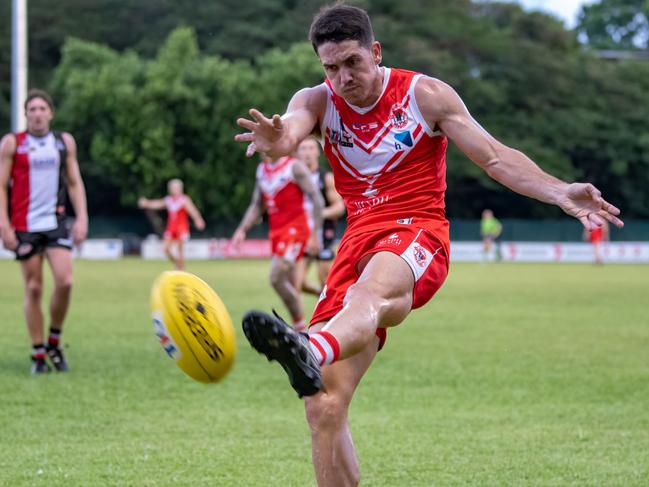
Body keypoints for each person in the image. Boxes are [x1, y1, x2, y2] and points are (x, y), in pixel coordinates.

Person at [234, 5, 624, 486]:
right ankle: (314, 354)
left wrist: (561, 191)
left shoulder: (426, 95)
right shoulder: (317, 100)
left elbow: (495, 158)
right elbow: (289, 130)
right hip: (356, 239)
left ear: (375, 52)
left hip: (416, 230)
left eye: (352, 62)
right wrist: (277, 140)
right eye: (330, 67)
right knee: (323, 404)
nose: (342, 77)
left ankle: (311, 346)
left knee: (369, 297)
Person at [0, 89, 88, 374]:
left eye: (42, 108)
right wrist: (4, 224)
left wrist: (82, 217)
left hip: (55, 222)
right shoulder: (13, 143)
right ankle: (38, 354)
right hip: (24, 226)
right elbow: (1, 186)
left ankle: (54, 341)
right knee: (34, 288)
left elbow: (74, 183)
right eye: (32, 109)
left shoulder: (63, 143)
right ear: (26, 114)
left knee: (65, 281)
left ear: (50, 112)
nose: (37, 113)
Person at [231, 155, 323, 331]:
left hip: (295, 229)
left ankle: (300, 328)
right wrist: (242, 229)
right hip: (277, 232)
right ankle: (301, 331)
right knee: (292, 283)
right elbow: (257, 205)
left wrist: (315, 233)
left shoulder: (294, 167)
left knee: (276, 277)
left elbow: (316, 199)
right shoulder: (262, 170)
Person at [295, 136, 345, 292]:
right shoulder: (293, 179)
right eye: (303, 149)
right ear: (297, 153)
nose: (307, 153)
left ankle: (330, 305)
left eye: (310, 148)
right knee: (298, 283)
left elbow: (340, 207)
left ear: (317, 152)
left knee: (325, 280)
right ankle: (321, 297)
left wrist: (319, 214)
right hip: (301, 234)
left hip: (323, 233)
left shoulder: (326, 178)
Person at [138, 179, 205, 270]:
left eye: (175, 188)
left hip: (182, 228)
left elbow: (192, 211)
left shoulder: (184, 200)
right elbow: (157, 204)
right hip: (171, 228)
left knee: (180, 250)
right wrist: (146, 203)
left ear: (180, 189)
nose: (173, 190)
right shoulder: (169, 200)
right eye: (172, 188)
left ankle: (181, 270)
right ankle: (178, 264)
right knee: (165, 249)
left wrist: (198, 220)